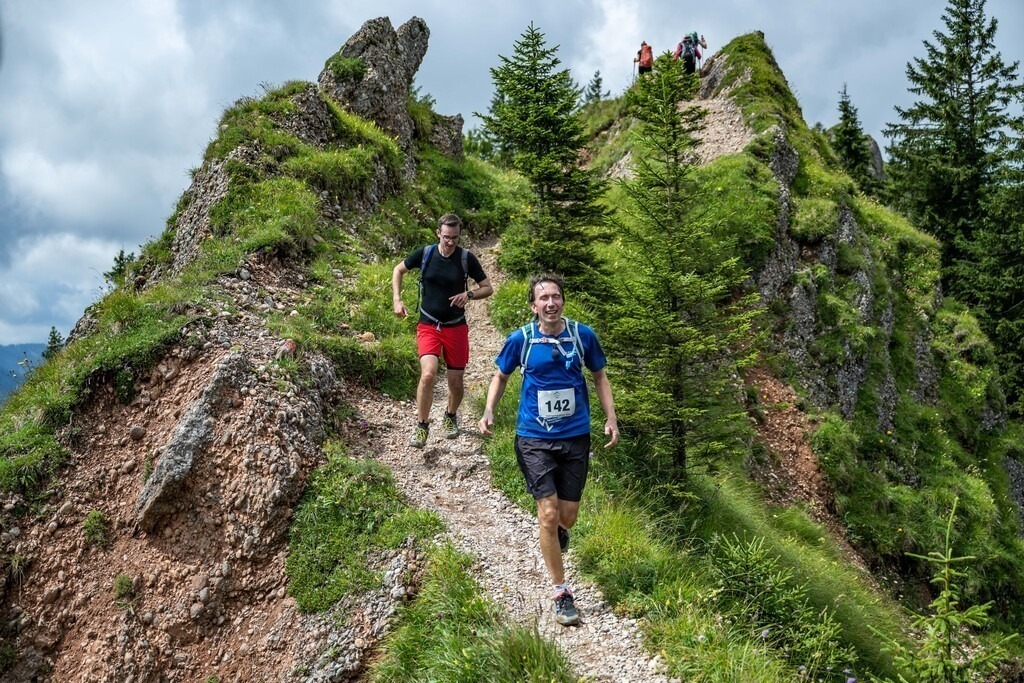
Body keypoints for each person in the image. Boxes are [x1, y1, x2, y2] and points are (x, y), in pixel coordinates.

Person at [479, 273, 619, 626]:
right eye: (544, 298)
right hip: (533, 438)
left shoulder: (582, 336)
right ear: (533, 305)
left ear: (563, 302)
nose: (551, 303)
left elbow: (600, 376)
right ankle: (561, 593)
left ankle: (558, 532)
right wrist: (489, 409)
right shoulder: (521, 340)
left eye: (556, 296)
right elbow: (501, 376)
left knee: (567, 517)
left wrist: (611, 417)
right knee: (548, 512)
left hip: (575, 436)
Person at [393, 213, 493, 448]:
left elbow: (487, 288)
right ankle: (422, 426)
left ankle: (450, 415)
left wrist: (468, 295)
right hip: (428, 324)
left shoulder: (466, 258)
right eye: (446, 237)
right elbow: (398, 270)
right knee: (428, 374)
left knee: (456, 383)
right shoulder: (425, 253)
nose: (450, 242)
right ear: (438, 233)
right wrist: (397, 299)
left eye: (455, 238)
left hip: (456, 327)